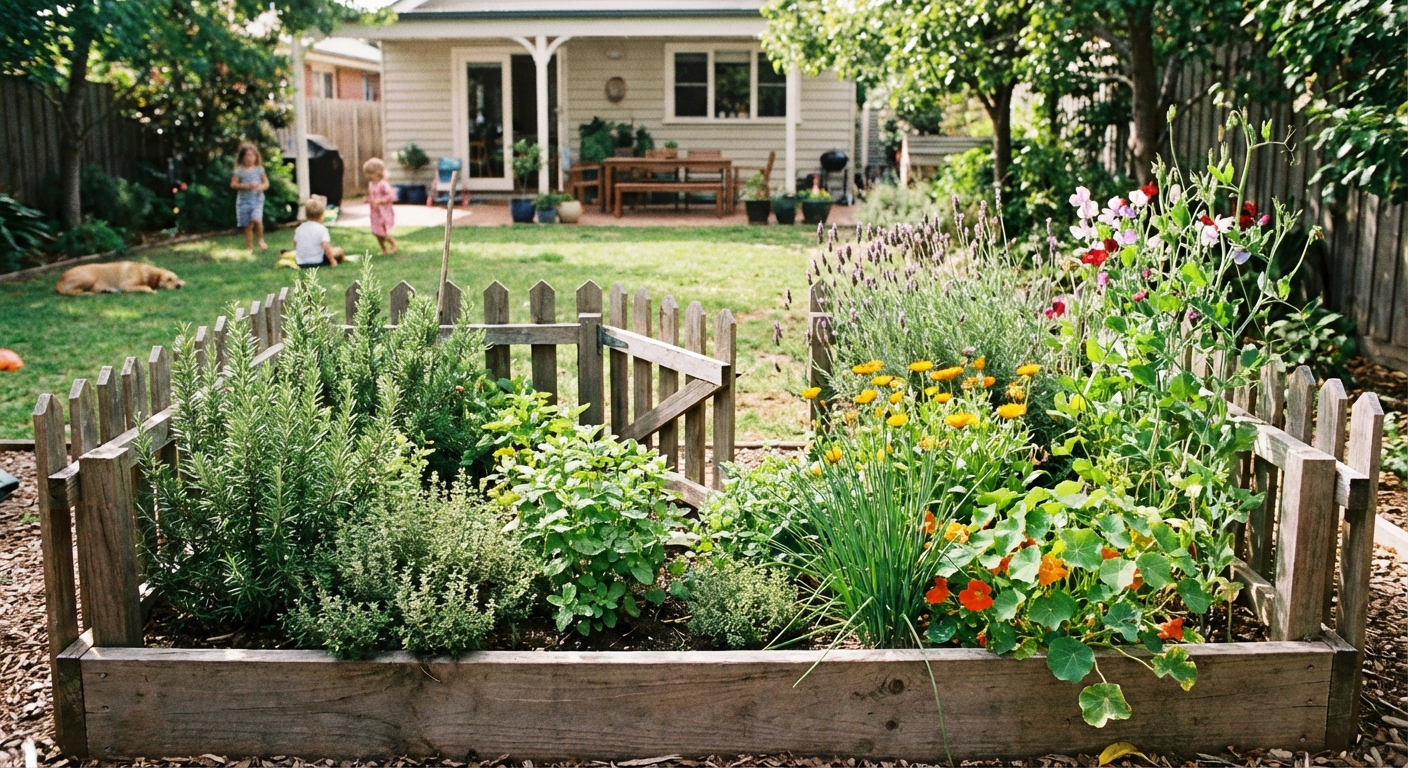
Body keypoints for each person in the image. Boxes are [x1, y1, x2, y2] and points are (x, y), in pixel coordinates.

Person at [230, 143, 269, 251]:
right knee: (247, 226)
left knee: (257, 219)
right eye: (247, 155)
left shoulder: (259, 169)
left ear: (256, 157)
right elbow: (233, 184)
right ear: (242, 157)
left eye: (252, 155)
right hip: (243, 201)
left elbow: (266, 183)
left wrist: (262, 187)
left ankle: (261, 240)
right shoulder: (239, 171)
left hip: (257, 199)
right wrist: (246, 186)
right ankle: (250, 247)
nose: (250, 158)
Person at [293, 196, 345, 268]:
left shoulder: (299, 228)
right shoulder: (322, 229)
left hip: (301, 262)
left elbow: (296, 243)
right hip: (317, 261)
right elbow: (325, 246)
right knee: (338, 250)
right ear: (322, 215)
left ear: (306, 214)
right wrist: (332, 261)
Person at [363, 157, 398, 255]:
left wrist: (382, 201)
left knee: (381, 231)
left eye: (370, 173)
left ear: (377, 173)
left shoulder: (383, 184)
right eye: (366, 173)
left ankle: (393, 244)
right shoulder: (371, 183)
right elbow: (373, 196)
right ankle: (383, 248)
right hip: (374, 212)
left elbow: (391, 196)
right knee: (375, 231)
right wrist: (368, 200)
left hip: (383, 212)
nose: (367, 176)